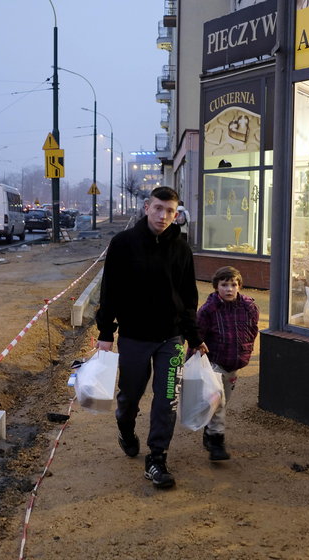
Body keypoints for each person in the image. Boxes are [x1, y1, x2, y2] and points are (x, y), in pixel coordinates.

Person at [96, 186, 207, 489]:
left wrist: (194, 338)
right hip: (134, 336)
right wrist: (105, 332)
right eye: (158, 208)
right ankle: (125, 426)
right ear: (146, 207)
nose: (163, 216)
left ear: (177, 213)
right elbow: (110, 291)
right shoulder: (123, 244)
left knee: (167, 398)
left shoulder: (181, 249)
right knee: (130, 395)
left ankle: (157, 458)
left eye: (170, 211)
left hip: (171, 338)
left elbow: (188, 296)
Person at [192, 266, 259, 461]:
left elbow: (252, 330)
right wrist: (193, 360)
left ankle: (209, 430)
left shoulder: (249, 307)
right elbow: (197, 335)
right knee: (218, 400)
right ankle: (217, 443)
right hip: (213, 361)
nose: (229, 289)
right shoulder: (208, 310)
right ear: (216, 287)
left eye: (233, 285)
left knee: (222, 401)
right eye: (224, 285)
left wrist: (245, 349)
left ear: (239, 286)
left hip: (234, 362)